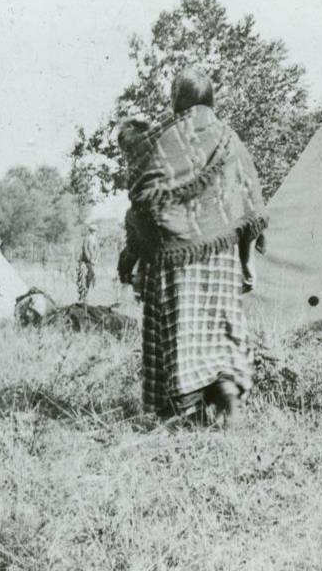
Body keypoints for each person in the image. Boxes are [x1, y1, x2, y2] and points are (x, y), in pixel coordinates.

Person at [116, 69, 267, 427]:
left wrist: (134, 259)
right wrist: (247, 261)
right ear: (211, 100)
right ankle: (227, 386)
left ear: (176, 101)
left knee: (183, 333)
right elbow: (248, 202)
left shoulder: (163, 141)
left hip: (174, 258)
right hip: (221, 255)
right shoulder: (230, 140)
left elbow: (143, 203)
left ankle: (188, 408)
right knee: (222, 328)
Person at [75, 224, 97, 303]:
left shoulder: (95, 239)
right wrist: (89, 259)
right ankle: (83, 294)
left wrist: (96, 259)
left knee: (92, 275)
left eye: (94, 231)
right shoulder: (87, 239)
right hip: (85, 261)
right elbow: (85, 249)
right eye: (92, 230)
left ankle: (87, 292)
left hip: (93, 261)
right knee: (83, 277)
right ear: (90, 231)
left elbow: (98, 250)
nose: (94, 232)